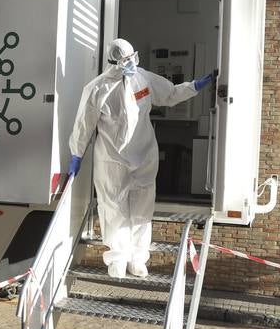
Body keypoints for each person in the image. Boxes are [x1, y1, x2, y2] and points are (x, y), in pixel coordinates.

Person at [67, 39, 216, 279]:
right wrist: (77, 153)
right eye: (126, 60)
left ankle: (138, 259)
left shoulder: (143, 79)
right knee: (114, 209)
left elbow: (171, 93)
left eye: (132, 57)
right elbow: (83, 126)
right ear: (114, 62)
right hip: (112, 160)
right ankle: (117, 259)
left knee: (141, 210)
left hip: (144, 155)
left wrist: (195, 86)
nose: (131, 63)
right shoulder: (97, 89)